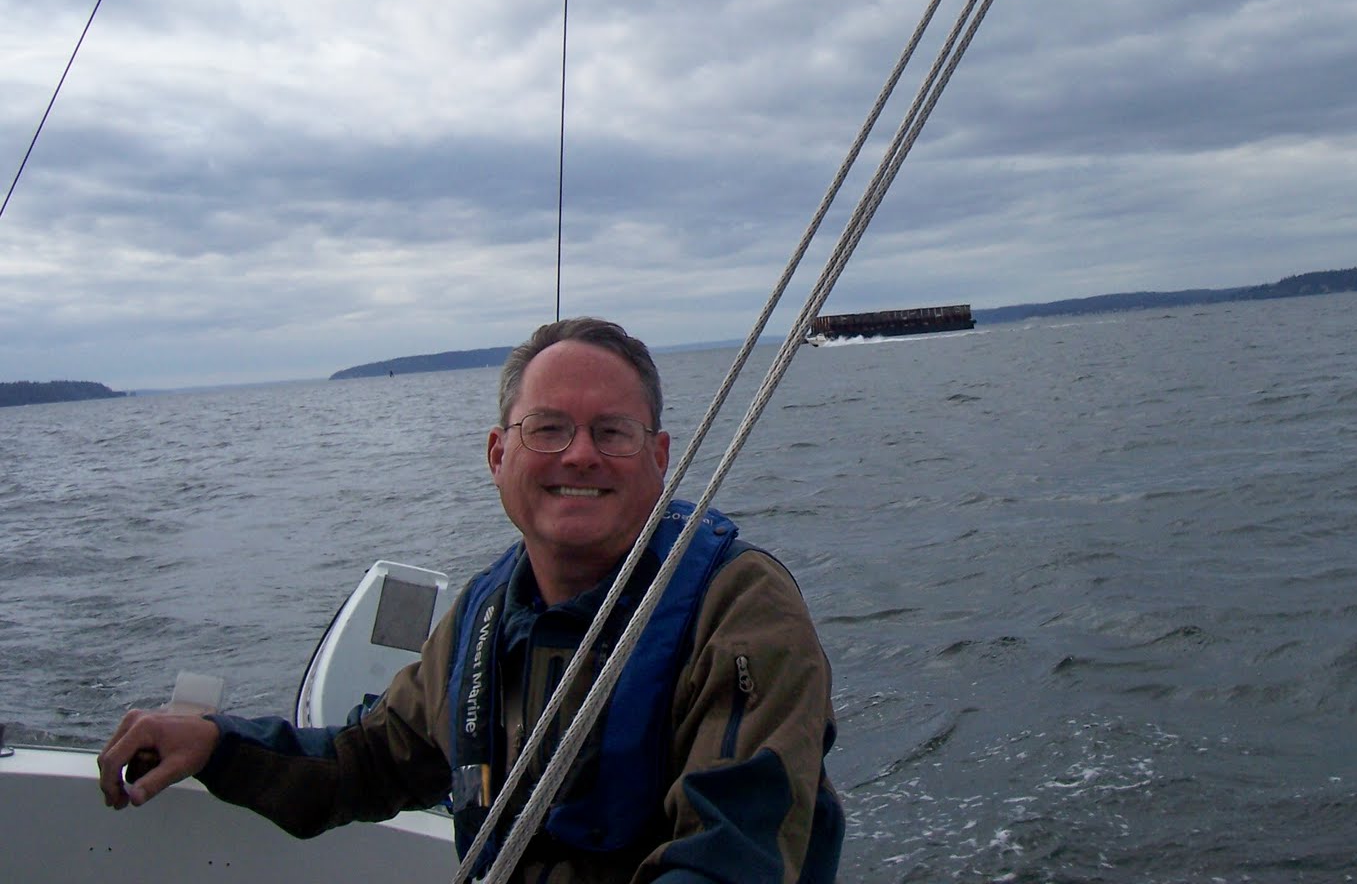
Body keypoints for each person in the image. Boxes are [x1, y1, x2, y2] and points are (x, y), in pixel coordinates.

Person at [98, 317, 844, 883]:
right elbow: (368, 759)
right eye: (548, 429)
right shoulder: (485, 617)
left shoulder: (738, 608)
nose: (580, 454)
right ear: (497, 455)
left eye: (612, 432)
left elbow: (733, 853)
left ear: (658, 457)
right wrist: (219, 745)